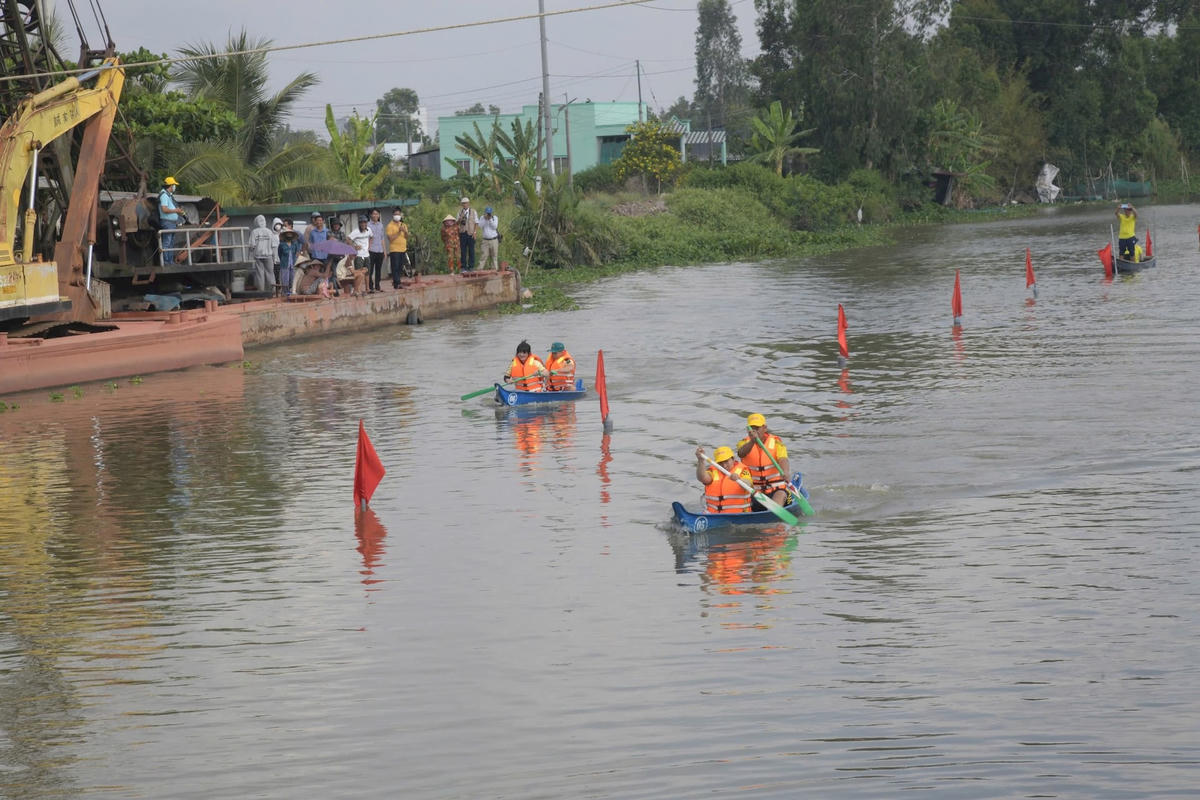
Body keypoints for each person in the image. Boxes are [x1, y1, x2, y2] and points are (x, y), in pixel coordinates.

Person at [736, 413, 791, 507]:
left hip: (776, 488)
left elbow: (783, 459)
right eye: (751, 428)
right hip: (755, 491)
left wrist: (785, 472)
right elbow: (741, 453)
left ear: (764, 428)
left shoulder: (776, 442)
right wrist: (752, 441)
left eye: (757, 428)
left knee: (779, 497)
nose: (754, 431)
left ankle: (776, 511)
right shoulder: (743, 443)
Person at [695, 446, 753, 514]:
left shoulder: (743, 470)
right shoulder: (713, 470)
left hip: (739, 514)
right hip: (713, 514)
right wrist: (700, 461)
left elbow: (748, 484)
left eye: (726, 461)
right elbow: (702, 478)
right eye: (720, 463)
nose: (724, 466)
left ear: (733, 459)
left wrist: (739, 479)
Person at [158, 176, 183, 264]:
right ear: (170, 186)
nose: (174, 187)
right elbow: (164, 209)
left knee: (171, 243)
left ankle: (170, 261)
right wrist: (176, 210)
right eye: (174, 185)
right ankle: (166, 261)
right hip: (167, 222)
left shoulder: (169, 195)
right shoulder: (164, 195)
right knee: (167, 242)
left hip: (172, 223)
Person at [248, 214, 276, 295]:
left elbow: (252, 245)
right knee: (270, 273)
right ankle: (272, 292)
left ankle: (261, 292)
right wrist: (274, 256)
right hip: (269, 256)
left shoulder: (254, 232)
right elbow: (273, 245)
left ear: (256, 222)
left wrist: (251, 251)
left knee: (260, 274)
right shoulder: (269, 231)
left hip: (258, 256)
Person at [347, 214, 373, 297]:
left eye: (365, 222)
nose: (363, 224)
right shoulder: (356, 231)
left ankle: (367, 288)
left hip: (367, 254)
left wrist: (369, 246)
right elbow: (348, 239)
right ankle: (358, 289)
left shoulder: (369, 230)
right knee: (359, 273)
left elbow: (372, 237)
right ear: (359, 223)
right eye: (361, 223)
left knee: (367, 272)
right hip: (358, 255)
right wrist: (354, 247)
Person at [386, 207, 410, 289]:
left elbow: (407, 237)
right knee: (395, 266)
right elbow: (390, 239)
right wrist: (399, 231)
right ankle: (397, 283)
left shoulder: (403, 224)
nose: (397, 216)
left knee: (400, 266)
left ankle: (397, 281)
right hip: (394, 249)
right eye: (396, 214)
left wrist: (405, 231)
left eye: (399, 214)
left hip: (403, 249)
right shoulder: (390, 225)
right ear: (393, 215)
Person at [277, 219, 302, 298]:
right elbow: (279, 254)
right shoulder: (282, 244)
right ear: (285, 235)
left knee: (292, 279)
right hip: (284, 264)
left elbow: (296, 252)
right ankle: (285, 293)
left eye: (290, 234)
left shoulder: (294, 244)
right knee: (285, 280)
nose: (289, 235)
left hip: (293, 264)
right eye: (287, 234)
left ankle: (291, 292)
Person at [457, 196, 478, 272]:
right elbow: (457, 223)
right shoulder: (459, 212)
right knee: (463, 251)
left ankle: (471, 266)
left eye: (466, 203)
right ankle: (463, 267)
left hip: (471, 233)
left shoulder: (473, 211)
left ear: (468, 203)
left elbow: (476, 222)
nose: (464, 205)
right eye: (463, 203)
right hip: (462, 233)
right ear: (462, 204)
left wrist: (475, 232)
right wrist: (460, 218)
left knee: (471, 250)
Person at [367, 208, 385, 292]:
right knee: (370, 270)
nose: (375, 215)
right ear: (371, 215)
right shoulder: (367, 225)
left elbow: (382, 238)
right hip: (371, 250)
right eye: (374, 214)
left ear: (379, 215)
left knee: (378, 269)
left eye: (377, 214)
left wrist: (384, 251)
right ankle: (370, 286)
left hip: (380, 250)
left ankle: (378, 285)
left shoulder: (381, 225)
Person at [478, 205, 500, 270]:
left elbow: (494, 227)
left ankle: (494, 270)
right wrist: (485, 219)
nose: (488, 214)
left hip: (494, 240)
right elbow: (480, 226)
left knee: (494, 256)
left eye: (489, 213)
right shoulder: (482, 217)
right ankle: (479, 270)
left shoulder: (495, 218)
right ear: (485, 212)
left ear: (491, 213)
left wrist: (490, 219)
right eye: (487, 212)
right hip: (485, 241)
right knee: (483, 256)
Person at [270, 217, 283, 290]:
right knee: (275, 275)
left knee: (281, 275)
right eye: (276, 224)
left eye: (279, 224)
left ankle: (281, 289)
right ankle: (277, 289)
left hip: (282, 259)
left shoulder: (282, 235)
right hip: (274, 260)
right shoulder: (271, 236)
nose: (278, 226)